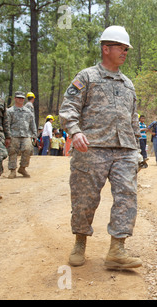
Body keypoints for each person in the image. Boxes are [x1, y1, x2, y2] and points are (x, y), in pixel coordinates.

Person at [59, 25, 142, 269]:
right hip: (91, 149)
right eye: (121, 47)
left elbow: (133, 118)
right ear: (106, 49)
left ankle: (117, 248)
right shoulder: (86, 77)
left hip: (124, 150)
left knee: (127, 197)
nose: (125, 52)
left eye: (127, 48)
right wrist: (75, 132)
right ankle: (80, 242)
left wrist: (137, 150)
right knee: (85, 198)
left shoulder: (128, 84)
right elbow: (69, 108)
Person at [7, 91, 37, 178]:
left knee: (28, 150)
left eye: (22, 98)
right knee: (12, 152)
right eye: (19, 98)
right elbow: (7, 124)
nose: (21, 99)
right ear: (15, 98)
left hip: (26, 135)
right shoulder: (10, 111)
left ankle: (22, 168)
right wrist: (7, 136)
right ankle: (12, 170)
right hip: (14, 135)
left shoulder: (28, 111)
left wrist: (34, 134)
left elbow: (32, 123)